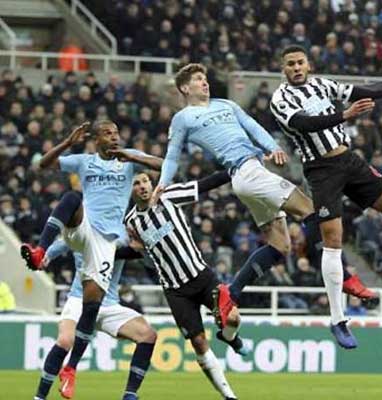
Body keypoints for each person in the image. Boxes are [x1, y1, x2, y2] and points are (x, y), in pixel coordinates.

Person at [153, 63, 375, 350]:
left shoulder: (226, 105)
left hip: (252, 174)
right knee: (312, 212)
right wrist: (163, 184)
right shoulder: (183, 118)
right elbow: (172, 156)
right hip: (246, 173)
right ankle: (344, 276)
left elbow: (253, 127)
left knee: (280, 245)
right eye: (197, 80)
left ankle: (230, 293)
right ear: (185, 88)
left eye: (205, 78)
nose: (204, 83)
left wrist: (273, 147)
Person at [270, 45, 382, 348]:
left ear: (308, 64)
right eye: (290, 64)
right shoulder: (280, 99)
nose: (296, 68)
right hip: (321, 170)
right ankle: (338, 319)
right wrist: (344, 115)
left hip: (349, 161)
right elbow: (302, 124)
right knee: (333, 239)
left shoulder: (323, 85)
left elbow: (368, 90)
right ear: (283, 69)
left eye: (300, 62)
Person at [20, 120, 162, 399]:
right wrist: (67, 143)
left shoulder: (128, 161)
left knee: (145, 333)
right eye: (108, 133)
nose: (114, 137)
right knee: (72, 198)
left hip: (107, 251)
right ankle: (40, 396)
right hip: (86, 231)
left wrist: (132, 156)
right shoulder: (85, 161)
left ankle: (122, 392)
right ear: (96, 140)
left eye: (117, 133)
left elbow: (163, 164)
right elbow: (42, 165)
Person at [126, 172, 249, 400]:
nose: (142, 186)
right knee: (198, 342)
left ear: (151, 183)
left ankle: (230, 337)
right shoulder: (131, 222)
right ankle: (229, 396)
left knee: (233, 318)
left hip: (201, 276)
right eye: (136, 183)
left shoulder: (168, 196)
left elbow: (204, 184)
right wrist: (135, 251)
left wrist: (233, 170)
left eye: (145, 181)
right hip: (176, 290)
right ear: (130, 190)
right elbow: (144, 255)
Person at [32, 239, 155, 400]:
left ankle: (130, 395)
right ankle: (40, 397)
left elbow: (149, 262)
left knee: (147, 335)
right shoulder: (83, 230)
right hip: (79, 299)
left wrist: (144, 250)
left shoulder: (122, 233)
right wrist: (45, 258)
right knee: (65, 340)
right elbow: (63, 242)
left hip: (109, 303)